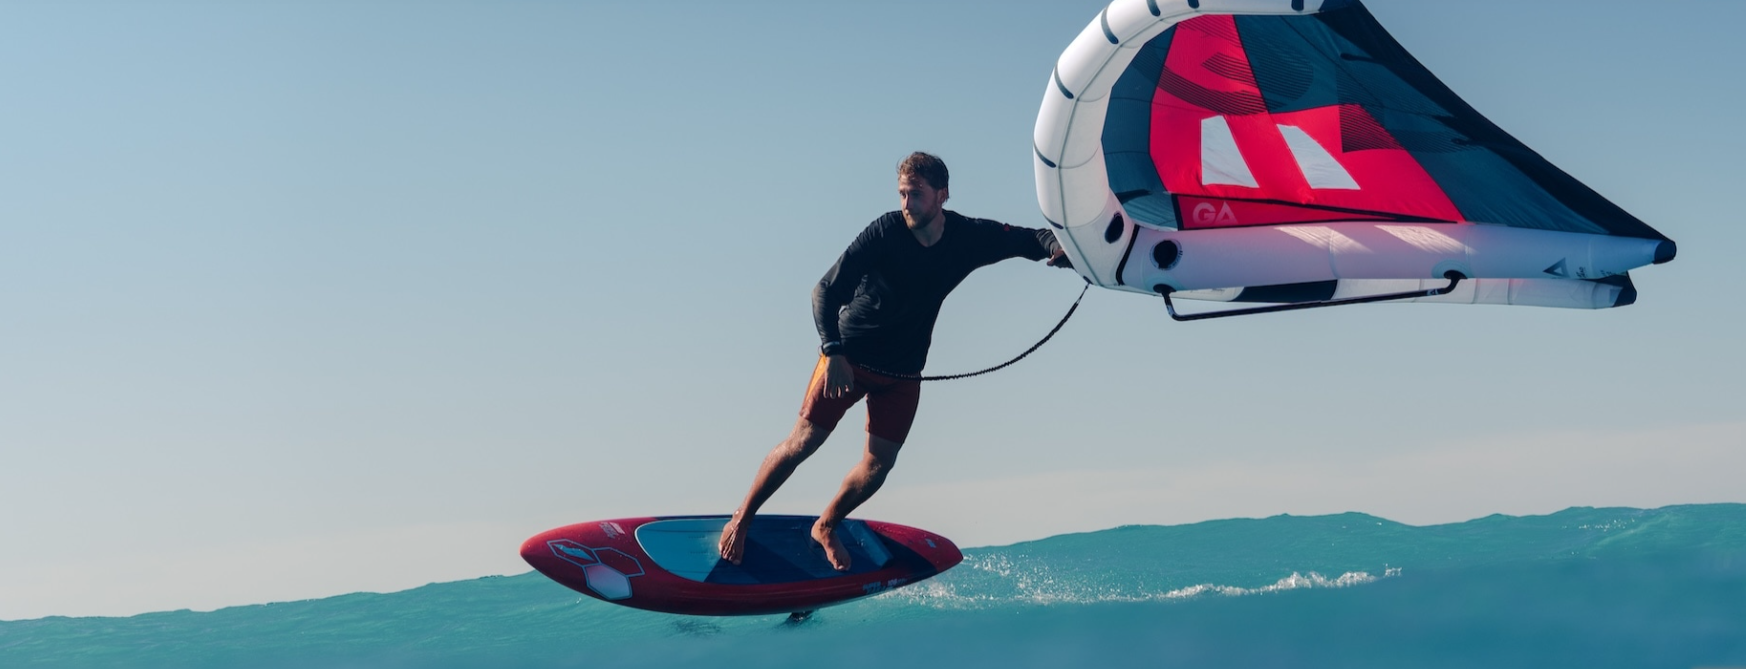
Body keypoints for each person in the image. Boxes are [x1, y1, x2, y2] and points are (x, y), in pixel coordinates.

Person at [717, 152, 1072, 571]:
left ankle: (826, 525)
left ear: (942, 194)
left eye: (916, 194)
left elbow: (1030, 238)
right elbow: (824, 290)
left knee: (879, 464)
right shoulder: (885, 232)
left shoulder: (966, 236)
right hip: (849, 357)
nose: (907, 204)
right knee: (804, 441)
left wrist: (1057, 248)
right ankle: (742, 517)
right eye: (902, 194)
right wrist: (833, 351)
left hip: (902, 372)